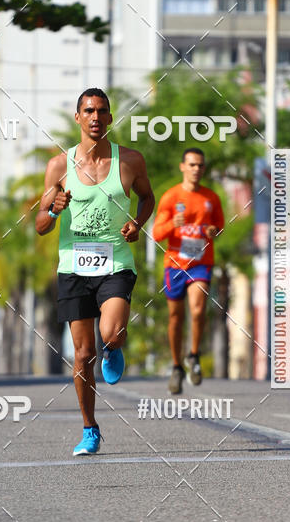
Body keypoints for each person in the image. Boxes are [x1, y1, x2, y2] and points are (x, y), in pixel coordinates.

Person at [36, 88, 155, 456]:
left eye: (102, 111)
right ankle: (90, 428)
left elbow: (148, 196)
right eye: (88, 111)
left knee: (111, 332)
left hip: (115, 262)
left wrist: (137, 221)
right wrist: (54, 209)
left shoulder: (130, 161)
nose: (95, 117)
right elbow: (40, 225)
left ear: (110, 117)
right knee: (82, 352)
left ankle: (115, 345)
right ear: (78, 118)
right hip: (73, 266)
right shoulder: (59, 166)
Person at [152, 148, 224, 394]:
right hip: (175, 265)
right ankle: (176, 366)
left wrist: (213, 231)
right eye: (192, 165)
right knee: (175, 317)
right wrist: (174, 223)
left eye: (200, 166)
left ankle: (193, 355)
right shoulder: (171, 197)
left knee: (198, 308)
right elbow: (157, 233)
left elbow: (220, 226)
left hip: (201, 262)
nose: (196, 169)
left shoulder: (211, 198)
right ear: (183, 166)